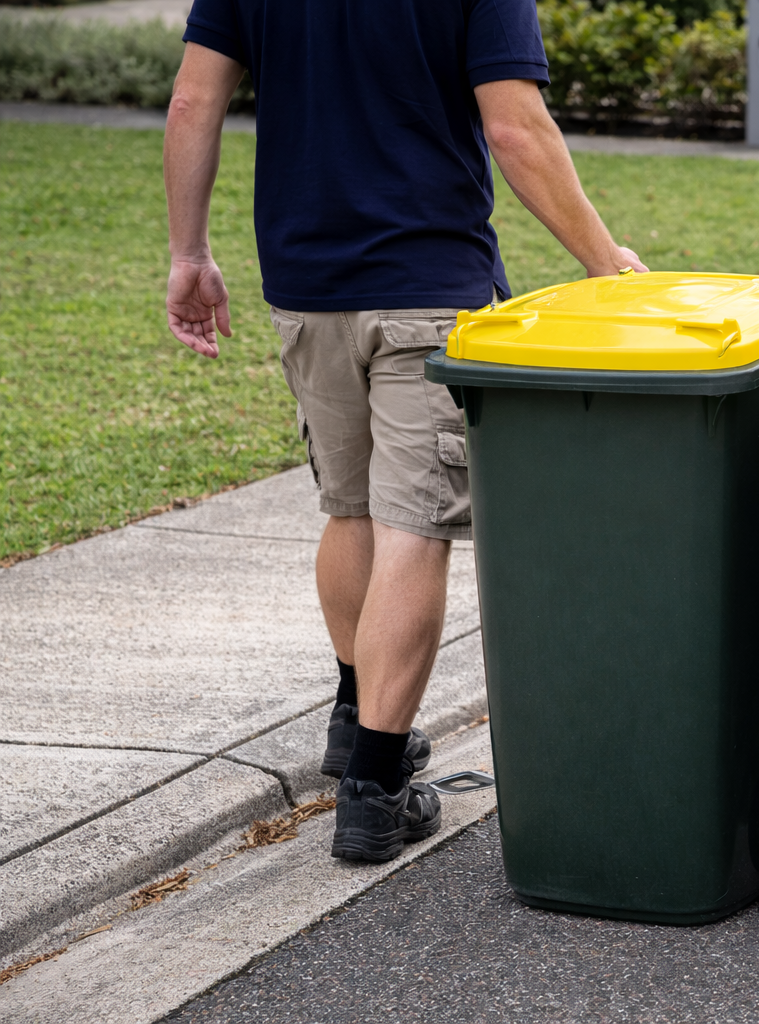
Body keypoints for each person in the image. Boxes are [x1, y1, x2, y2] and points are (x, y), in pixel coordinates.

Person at [163, 0, 645, 863]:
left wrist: (188, 253)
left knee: (348, 509)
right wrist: (605, 263)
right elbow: (517, 129)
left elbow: (194, 103)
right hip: (430, 285)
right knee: (414, 527)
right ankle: (376, 790)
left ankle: (357, 721)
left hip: (305, 286)